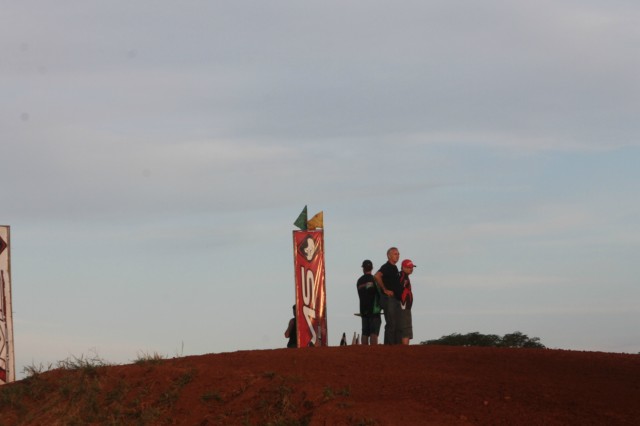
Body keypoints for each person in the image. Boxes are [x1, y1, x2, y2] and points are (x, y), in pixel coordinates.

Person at [374, 247, 402, 345]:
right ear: (389, 256)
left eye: (398, 254)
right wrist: (385, 290)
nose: (397, 256)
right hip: (389, 299)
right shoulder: (387, 266)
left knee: (397, 324)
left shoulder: (394, 267)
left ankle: (396, 346)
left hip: (396, 299)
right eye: (395, 254)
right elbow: (377, 276)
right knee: (391, 323)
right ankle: (389, 347)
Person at [356, 259, 382, 345]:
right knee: (373, 333)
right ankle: (373, 353)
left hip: (363, 310)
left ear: (363, 269)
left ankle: (365, 353)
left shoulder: (359, 281)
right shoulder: (374, 279)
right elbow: (380, 293)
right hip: (374, 310)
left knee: (365, 333)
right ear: (372, 268)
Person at [398, 259, 416, 345]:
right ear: (403, 267)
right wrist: (403, 302)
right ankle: (405, 349)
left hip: (404, 306)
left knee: (405, 328)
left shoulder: (404, 276)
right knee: (406, 328)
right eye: (409, 267)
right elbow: (400, 289)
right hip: (404, 307)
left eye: (412, 267)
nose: (411, 269)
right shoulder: (403, 276)